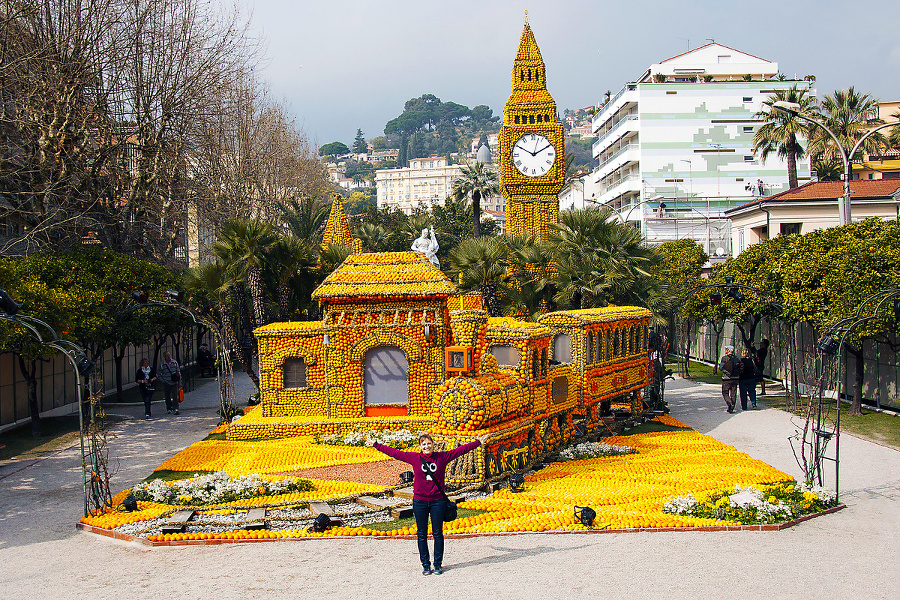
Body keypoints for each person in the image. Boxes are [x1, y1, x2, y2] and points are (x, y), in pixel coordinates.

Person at [368, 432, 490, 575]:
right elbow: (395, 453)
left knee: (438, 533)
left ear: (433, 445)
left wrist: (477, 442)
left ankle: (438, 564)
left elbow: (459, 451)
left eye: (429, 443)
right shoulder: (414, 458)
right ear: (420, 446)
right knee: (422, 534)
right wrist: (376, 445)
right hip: (420, 501)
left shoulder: (442, 457)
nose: (427, 446)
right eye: (424, 444)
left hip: (437, 501)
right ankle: (425, 565)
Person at [719, 345, 741, 413]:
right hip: (735, 378)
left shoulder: (724, 358)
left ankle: (729, 403)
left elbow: (721, 368)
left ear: (729, 350)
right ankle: (732, 407)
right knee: (733, 393)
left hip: (727, 378)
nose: (725, 350)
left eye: (726, 349)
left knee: (725, 392)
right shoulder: (737, 358)